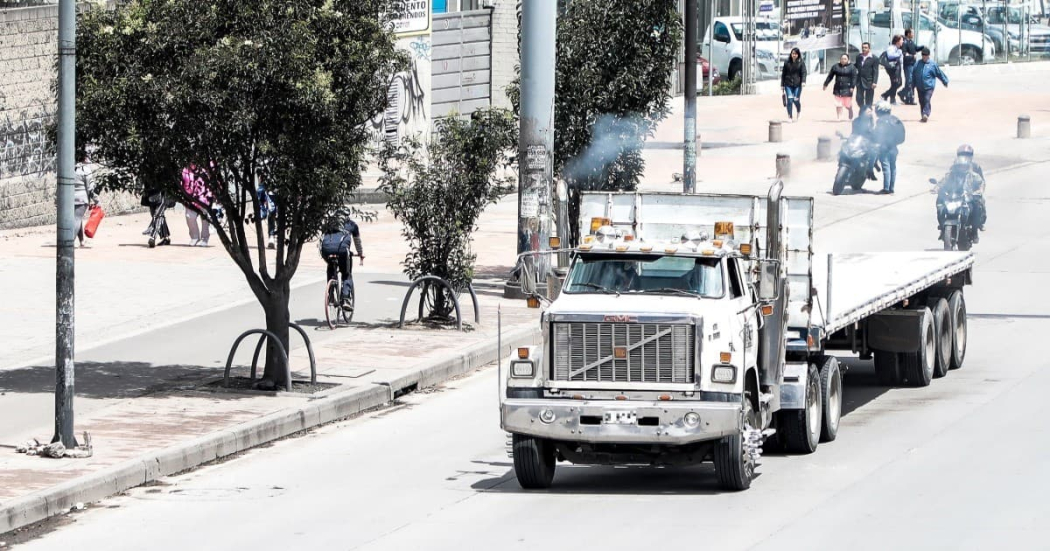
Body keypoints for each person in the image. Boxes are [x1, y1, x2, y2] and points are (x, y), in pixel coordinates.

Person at [319, 217, 365, 309]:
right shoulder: (352, 224)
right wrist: (360, 253)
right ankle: (345, 299)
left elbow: (322, 238)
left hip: (326, 251)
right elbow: (357, 242)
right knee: (346, 274)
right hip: (343, 251)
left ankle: (331, 295)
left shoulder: (328, 223)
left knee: (331, 267)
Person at [872, 101, 906, 194]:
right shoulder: (895, 119)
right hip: (894, 147)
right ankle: (891, 188)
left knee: (886, 168)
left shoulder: (881, 121)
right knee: (893, 168)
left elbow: (877, 134)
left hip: (884, 148)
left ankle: (886, 188)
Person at [912, 47, 949, 123]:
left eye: (925, 55)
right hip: (919, 87)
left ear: (928, 55)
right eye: (923, 55)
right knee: (921, 101)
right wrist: (912, 85)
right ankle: (923, 115)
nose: (924, 57)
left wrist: (945, 81)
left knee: (926, 99)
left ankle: (926, 114)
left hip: (929, 86)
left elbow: (939, 73)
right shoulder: (917, 64)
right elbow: (913, 75)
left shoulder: (932, 65)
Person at [181, 165, 213, 246]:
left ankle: (204, 238)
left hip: (204, 198)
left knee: (205, 218)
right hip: (191, 198)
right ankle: (194, 237)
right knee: (189, 216)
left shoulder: (205, 168)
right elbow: (184, 184)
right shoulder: (185, 169)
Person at [73, 154, 97, 248]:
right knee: (77, 219)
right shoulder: (85, 170)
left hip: (69, 199)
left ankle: (81, 241)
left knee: (77, 219)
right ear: (84, 159)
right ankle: (70, 241)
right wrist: (96, 200)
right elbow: (90, 187)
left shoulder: (69, 168)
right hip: (81, 198)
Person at [824, 53, 858, 120]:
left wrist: (852, 87)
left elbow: (854, 77)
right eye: (842, 59)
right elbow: (830, 76)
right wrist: (826, 84)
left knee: (847, 104)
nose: (843, 60)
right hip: (838, 87)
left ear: (848, 59)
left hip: (847, 88)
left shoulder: (852, 67)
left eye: (845, 59)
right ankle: (839, 117)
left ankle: (850, 109)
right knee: (838, 104)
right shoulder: (836, 66)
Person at [780, 47, 807, 122]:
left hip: (797, 84)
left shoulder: (801, 62)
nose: (794, 55)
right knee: (790, 100)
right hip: (788, 84)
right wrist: (782, 85)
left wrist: (803, 81)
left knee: (795, 100)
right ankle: (790, 116)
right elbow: (783, 74)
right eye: (792, 53)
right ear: (791, 54)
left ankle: (798, 111)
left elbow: (804, 72)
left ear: (798, 54)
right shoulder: (787, 62)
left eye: (795, 54)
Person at [898, 28, 922, 105]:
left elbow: (916, 48)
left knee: (912, 82)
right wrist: (912, 56)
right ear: (908, 34)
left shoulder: (911, 42)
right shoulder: (905, 43)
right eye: (912, 33)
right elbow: (904, 54)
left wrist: (923, 47)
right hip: (908, 65)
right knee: (909, 81)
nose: (913, 34)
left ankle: (905, 95)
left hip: (913, 64)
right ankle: (908, 97)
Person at [855, 42, 880, 111]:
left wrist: (874, 82)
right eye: (863, 47)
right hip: (859, 81)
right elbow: (856, 66)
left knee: (869, 99)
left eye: (865, 47)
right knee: (858, 98)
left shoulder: (874, 58)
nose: (864, 49)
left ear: (869, 49)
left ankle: (868, 111)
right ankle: (863, 108)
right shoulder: (858, 57)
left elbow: (876, 71)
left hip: (869, 81)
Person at [879, 35, 904, 105]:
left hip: (897, 67)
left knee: (898, 83)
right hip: (892, 68)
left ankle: (886, 95)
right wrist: (898, 54)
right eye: (901, 40)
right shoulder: (891, 48)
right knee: (895, 83)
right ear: (897, 41)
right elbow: (890, 56)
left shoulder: (898, 48)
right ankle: (891, 99)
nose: (902, 42)